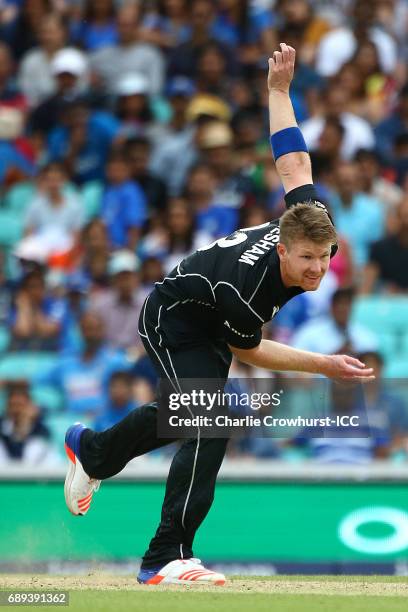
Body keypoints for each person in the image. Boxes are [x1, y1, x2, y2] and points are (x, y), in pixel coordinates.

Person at [63, 44, 373, 586]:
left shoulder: (311, 219)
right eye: (306, 260)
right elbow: (250, 348)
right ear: (282, 248)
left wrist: (278, 91)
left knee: (192, 413)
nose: (318, 270)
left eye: (325, 257)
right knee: (209, 418)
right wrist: (325, 365)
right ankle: (165, 557)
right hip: (173, 317)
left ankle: (91, 450)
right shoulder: (249, 288)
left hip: (207, 318)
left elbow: (293, 159)